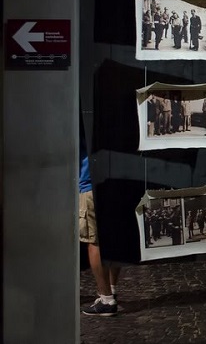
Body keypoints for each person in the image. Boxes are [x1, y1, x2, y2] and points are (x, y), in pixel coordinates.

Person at [79, 121, 121, 317]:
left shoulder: (77, 121)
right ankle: (111, 289)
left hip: (88, 186)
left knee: (93, 241)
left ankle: (106, 299)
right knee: (112, 238)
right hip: (111, 181)